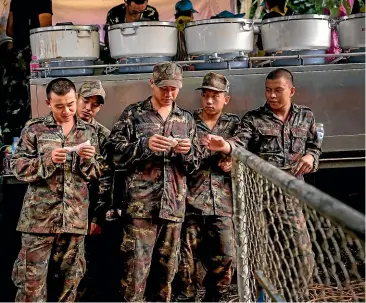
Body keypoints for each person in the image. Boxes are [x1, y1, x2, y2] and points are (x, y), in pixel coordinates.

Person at [107, 61, 201, 302]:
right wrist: (143, 146)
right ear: (152, 84)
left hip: (173, 208)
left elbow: (195, 165)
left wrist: (188, 152)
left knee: (166, 274)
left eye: (174, 88)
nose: (169, 94)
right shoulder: (134, 114)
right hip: (141, 208)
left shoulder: (186, 120)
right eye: (163, 88)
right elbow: (112, 153)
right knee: (134, 274)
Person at [10, 78, 105, 302]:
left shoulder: (88, 131)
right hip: (39, 222)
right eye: (60, 106)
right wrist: (47, 160)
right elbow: (17, 167)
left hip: (74, 221)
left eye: (71, 104)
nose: (67, 111)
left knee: (69, 286)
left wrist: (88, 161)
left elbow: (98, 172)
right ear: (48, 103)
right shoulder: (35, 129)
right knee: (30, 287)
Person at [235, 68, 322, 295]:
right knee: (261, 260)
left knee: (303, 258)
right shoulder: (253, 120)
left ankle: (293, 297)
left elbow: (314, 144)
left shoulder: (306, 116)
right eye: (268, 90)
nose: (272, 96)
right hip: (260, 200)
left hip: (291, 198)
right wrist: (225, 149)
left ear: (291, 91)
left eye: (278, 90)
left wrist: (311, 156)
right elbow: (238, 145)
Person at [173, 72, 240, 302]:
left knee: (225, 260)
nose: (209, 101)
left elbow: (246, 152)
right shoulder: (186, 122)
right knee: (184, 265)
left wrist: (233, 160)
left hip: (222, 206)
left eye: (215, 96)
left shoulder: (234, 125)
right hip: (190, 204)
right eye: (205, 95)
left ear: (226, 99)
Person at [74, 81, 113, 301]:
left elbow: (106, 180)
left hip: (86, 212)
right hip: (57, 211)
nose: (89, 107)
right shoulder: (61, 128)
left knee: (87, 268)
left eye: (95, 104)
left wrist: (98, 216)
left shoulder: (102, 135)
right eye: (86, 101)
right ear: (77, 98)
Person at [2, 0, 52, 145]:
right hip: (33, 55)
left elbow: (9, 30)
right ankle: (30, 141)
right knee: (32, 99)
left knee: (13, 101)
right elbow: (45, 27)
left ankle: (11, 143)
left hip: (15, 57)